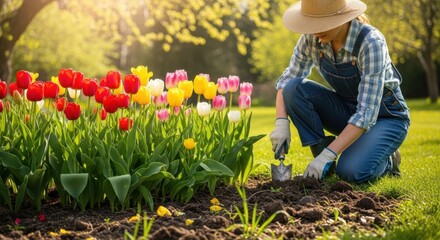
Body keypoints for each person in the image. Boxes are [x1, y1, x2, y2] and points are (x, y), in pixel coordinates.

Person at [269, 0, 410, 183]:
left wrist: (327, 155)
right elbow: (287, 81)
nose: (316, 30)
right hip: (347, 110)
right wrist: (281, 122)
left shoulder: (370, 42)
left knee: (352, 172)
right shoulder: (311, 39)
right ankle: (325, 168)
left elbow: (366, 113)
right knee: (294, 89)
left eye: (323, 23)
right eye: (312, 23)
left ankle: (388, 160)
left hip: (385, 117)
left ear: (343, 17)